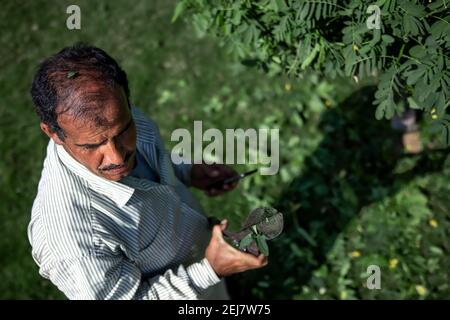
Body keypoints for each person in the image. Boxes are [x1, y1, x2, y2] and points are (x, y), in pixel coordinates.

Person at [27, 43, 267, 300]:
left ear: (126, 101)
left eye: (123, 132)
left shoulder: (110, 112)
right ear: (53, 133)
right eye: (92, 146)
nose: (117, 157)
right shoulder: (72, 241)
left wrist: (188, 172)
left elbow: (150, 156)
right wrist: (208, 271)